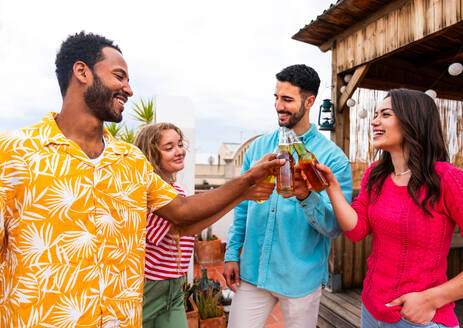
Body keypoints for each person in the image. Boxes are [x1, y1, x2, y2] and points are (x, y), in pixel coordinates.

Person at [0, 31, 282, 328]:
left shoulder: (132, 161)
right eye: (119, 76)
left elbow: (182, 213)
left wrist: (247, 181)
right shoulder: (13, 154)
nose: (129, 89)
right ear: (82, 71)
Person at [316, 88, 463, 328]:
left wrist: (431, 299)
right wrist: (332, 188)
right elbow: (356, 230)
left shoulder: (448, 179)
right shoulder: (375, 175)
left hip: (419, 319)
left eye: (385, 114)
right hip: (371, 310)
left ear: (412, 121)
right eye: (376, 114)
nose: (374, 121)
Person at [223, 64, 353, 328]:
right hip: (253, 271)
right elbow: (242, 207)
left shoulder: (333, 159)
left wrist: (307, 196)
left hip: (300, 278)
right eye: (276, 97)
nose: (278, 106)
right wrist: (232, 252)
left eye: (287, 99)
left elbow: (334, 226)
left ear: (310, 101)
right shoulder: (258, 147)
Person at [134, 123, 274, 328]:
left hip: (173, 287)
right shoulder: (150, 191)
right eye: (169, 147)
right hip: (149, 288)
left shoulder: (174, 190)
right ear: (151, 153)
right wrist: (243, 190)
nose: (179, 151)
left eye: (180, 144)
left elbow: (188, 227)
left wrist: (241, 196)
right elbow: (183, 223)